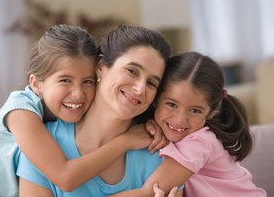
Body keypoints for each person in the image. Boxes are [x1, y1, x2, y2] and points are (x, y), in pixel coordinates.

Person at [0, 24, 165, 197]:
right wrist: (125, 142)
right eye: (132, 71)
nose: (77, 94)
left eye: (87, 82)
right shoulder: (23, 115)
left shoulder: (157, 151)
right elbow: (65, 178)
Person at [16, 25, 186, 197]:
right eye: (132, 71)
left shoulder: (161, 156)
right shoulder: (45, 147)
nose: (140, 89)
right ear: (101, 66)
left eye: (151, 83)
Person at [112, 52, 267, 196]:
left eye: (195, 111)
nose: (180, 119)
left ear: (212, 112)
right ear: (156, 99)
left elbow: (149, 192)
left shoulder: (200, 143)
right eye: (172, 104)